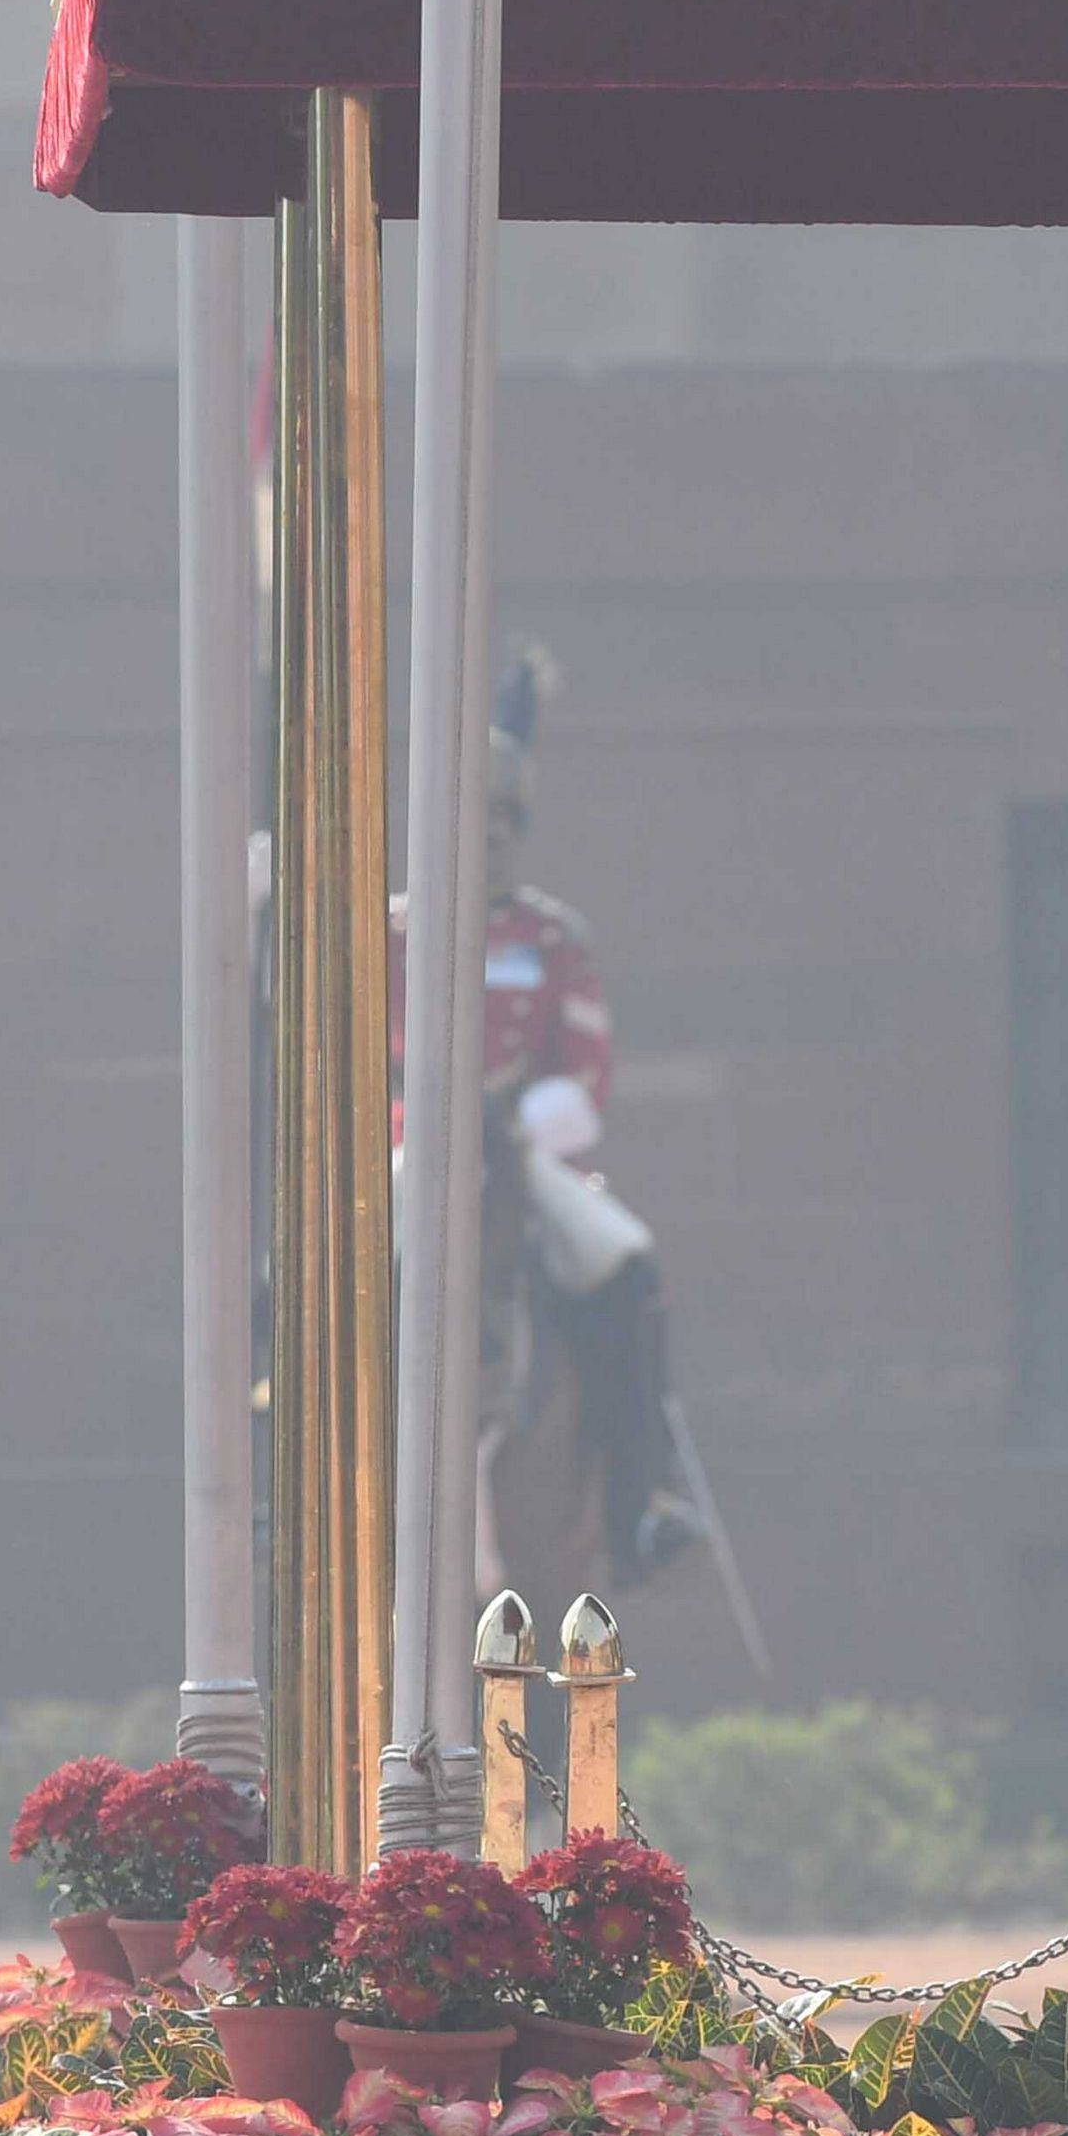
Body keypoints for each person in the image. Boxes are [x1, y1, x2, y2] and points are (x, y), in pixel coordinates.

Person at [394, 645, 700, 1582]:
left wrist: (522, 1122)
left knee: (626, 1263)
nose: (485, 841)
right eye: (470, 824)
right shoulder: (386, 931)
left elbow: (588, 1065)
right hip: (405, 1150)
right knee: (316, 1272)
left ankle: (644, 1500)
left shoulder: (551, 935)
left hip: (519, 1148)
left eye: (500, 825)